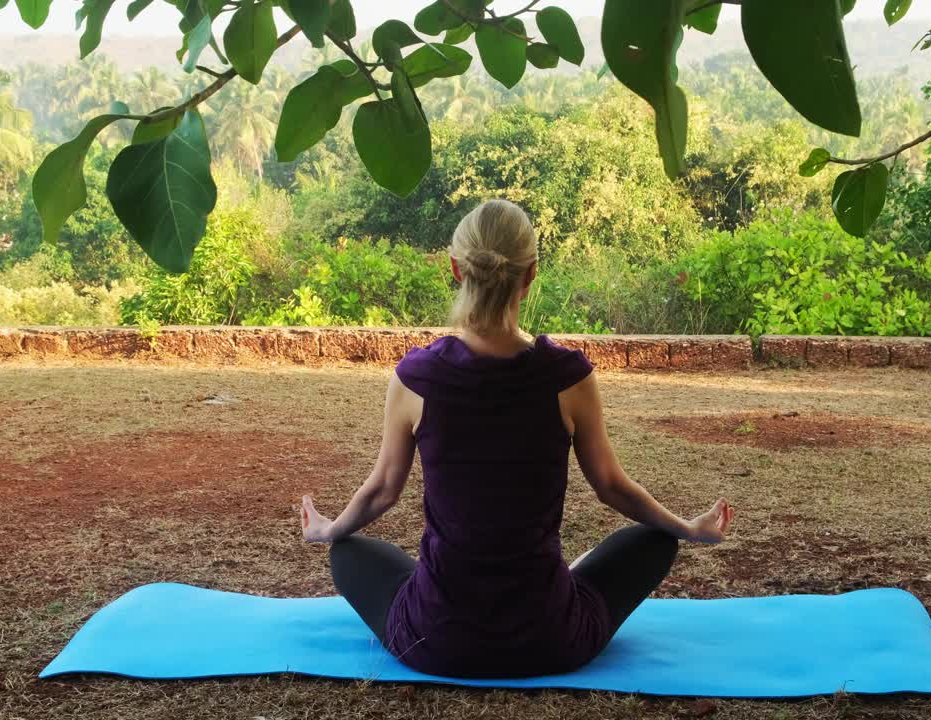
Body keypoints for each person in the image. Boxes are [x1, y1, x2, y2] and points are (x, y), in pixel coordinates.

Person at [298, 199, 735, 679]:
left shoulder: (415, 377)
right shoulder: (569, 377)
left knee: (348, 552)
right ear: (531, 275)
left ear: (454, 270)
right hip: (550, 637)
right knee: (656, 540)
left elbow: (382, 490)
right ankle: (571, 577)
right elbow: (612, 487)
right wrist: (688, 528)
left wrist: (328, 529)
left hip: (437, 639)